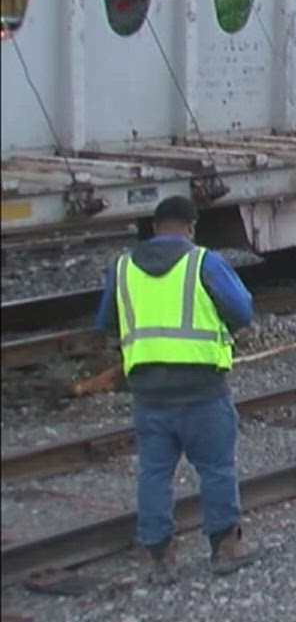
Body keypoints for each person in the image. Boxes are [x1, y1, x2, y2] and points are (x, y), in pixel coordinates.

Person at [94, 195, 259, 582]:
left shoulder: (121, 269)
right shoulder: (203, 262)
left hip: (149, 394)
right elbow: (243, 310)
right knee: (216, 469)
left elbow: (105, 322)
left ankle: (160, 561)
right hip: (203, 390)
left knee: (153, 475)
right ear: (191, 228)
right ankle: (223, 551)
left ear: (154, 228)